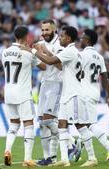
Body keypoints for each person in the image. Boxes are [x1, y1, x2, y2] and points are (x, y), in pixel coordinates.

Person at [27, 26, 98, 167]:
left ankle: (92, 157)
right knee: (62, 126)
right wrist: (44, 51)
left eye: (62, 36)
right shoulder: (72, 52)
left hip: (74, 95)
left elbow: (50, 61)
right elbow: (63, 65)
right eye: (59, 36)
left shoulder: (70, 51)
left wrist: (34, 51)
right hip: (67, 94)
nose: (60, 38)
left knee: (80, 126)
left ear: (69, 38)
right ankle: (65, 159)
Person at [1, 25, 46, 167]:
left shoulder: (5, 52)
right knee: (28, 124)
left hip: (8, 93)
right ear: (26, 37)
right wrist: (36, 50)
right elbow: (44, 66)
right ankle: (27, 158)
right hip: (22, 93)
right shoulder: (28, 54)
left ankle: (7, 150)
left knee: (13, 124)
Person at [36, 19, 76, 166]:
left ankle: (72, 144)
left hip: (57, 84)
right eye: (42, 30)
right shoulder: (42, 43)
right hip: (44, 83)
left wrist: (42, 52)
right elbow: (43, 66)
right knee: (42, 123)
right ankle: (49, 157)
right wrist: (35, 54)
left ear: (54, 30)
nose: (44, 33)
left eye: (47, 30)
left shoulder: (60, 44)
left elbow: (60, 66)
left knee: (47, 120)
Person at [75, 28, 109, 161]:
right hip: (95, 92)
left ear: (87, 40)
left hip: (84, 93)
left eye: (82, 38)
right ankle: (79, 143)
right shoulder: (99, 56)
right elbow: (105, 78)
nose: (80, 40)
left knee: (89, 124)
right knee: (84, 123)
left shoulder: (81, 55)